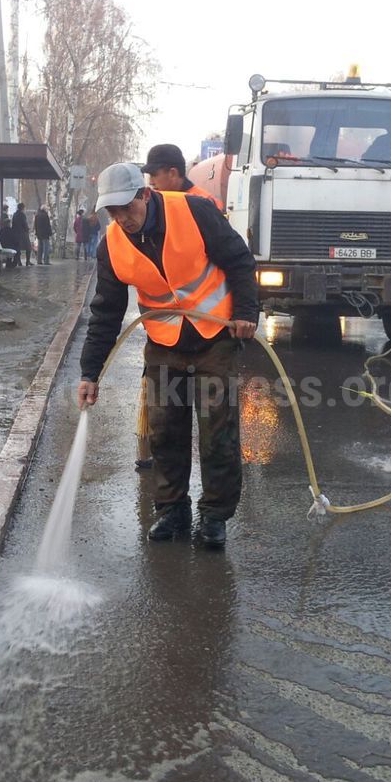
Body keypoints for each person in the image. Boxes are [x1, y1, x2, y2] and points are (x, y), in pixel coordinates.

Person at [78, 162, 258, 549]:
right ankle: (172, 510)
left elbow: (240, 261)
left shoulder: (194, 211)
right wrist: (90, 372)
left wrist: (245, 313)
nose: (122, 219)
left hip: (215, 335)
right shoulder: (111, 244)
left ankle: (213, 517)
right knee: (164, 431)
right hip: (164, 343)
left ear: (145, 194)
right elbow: (106, 312)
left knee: (217, 432)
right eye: (113, 212)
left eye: (127, 208)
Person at [141, 143, 225, 211]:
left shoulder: (207, 205)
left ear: (172, 173)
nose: (150, 182)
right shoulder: (153, 203)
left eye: (154, 175)